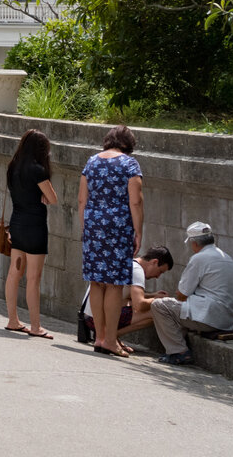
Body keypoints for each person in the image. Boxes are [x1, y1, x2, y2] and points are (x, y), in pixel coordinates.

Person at [79, 125, 143, 358]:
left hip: (93, 226)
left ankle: (99, 337)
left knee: (96, 282)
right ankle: (111, 340)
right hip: (118, 228)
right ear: (129, 143)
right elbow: (135, 202)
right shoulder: (129, 164)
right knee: (115, 284)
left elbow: (81, 200)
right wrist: (138, 231)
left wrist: (85, 228)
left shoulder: (92, 161)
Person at [150, 222, 233, 365]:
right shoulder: (226, 257)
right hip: (227, 320)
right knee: (180, 307)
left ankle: (179, 352)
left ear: (195, 243)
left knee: (159, 305)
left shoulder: (199, 258)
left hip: (209, 318)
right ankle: (179, 346)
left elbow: (182, 294)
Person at [2, 129, 59, 339]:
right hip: (35, 227)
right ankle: (36, 326)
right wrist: (43, 197)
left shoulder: (13, 167)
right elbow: (52, 198)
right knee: (33, 278)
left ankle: (13, 320)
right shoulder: (37, 170)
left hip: (16, 224)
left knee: (13, 274)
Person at [82, 246, 174, 352]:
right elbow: (139, 305)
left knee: (128, 303)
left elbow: (127, 296)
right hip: (96, 321)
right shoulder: (137, 271)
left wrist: (153, 295)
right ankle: (109, 337)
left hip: (90, 318)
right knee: (157, 311)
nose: (158, 276)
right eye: (160, 271)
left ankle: (107, 337)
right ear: (154, 262)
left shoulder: (129, 263)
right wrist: (162, 301)